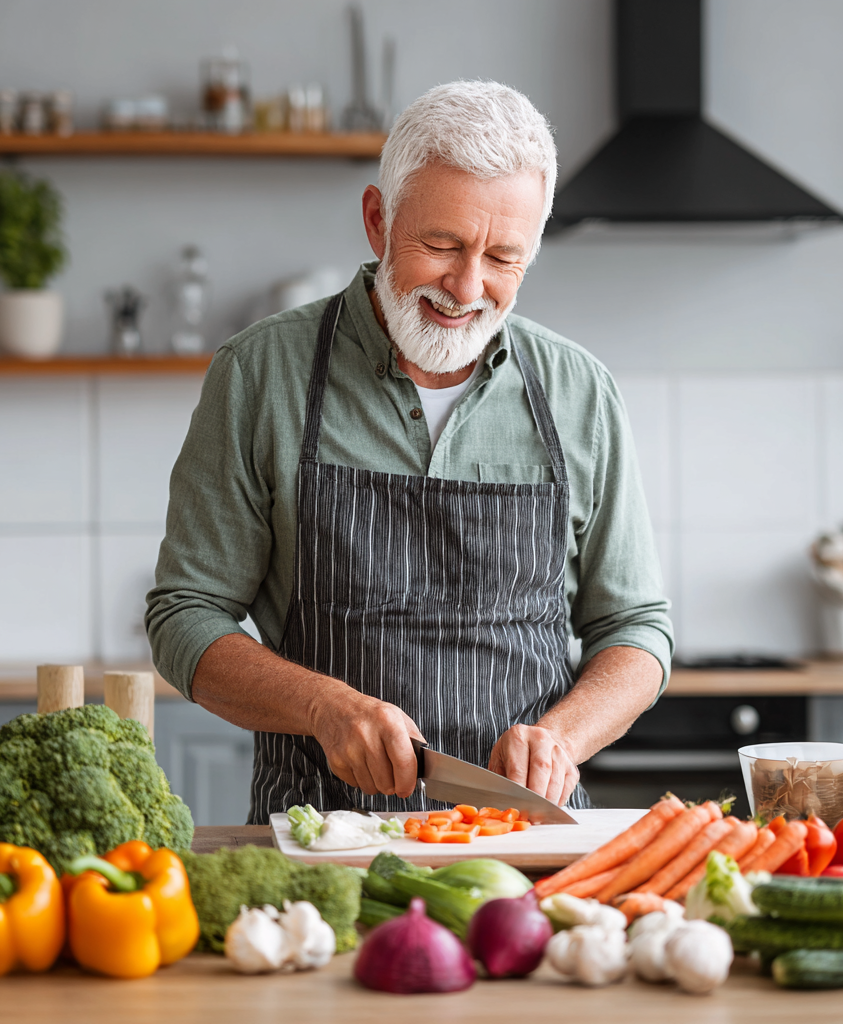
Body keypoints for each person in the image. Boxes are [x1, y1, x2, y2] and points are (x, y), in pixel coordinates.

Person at [146, 81, 673, 824]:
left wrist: (562, 738)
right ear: (377, 219)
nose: (467, 287)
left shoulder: (579, 392)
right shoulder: (261, 374)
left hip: (527, 849)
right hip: (321, 846)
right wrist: (323, 706)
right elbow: (186, 615)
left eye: (503, 257)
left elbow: (637, 629)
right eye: (443, 245)